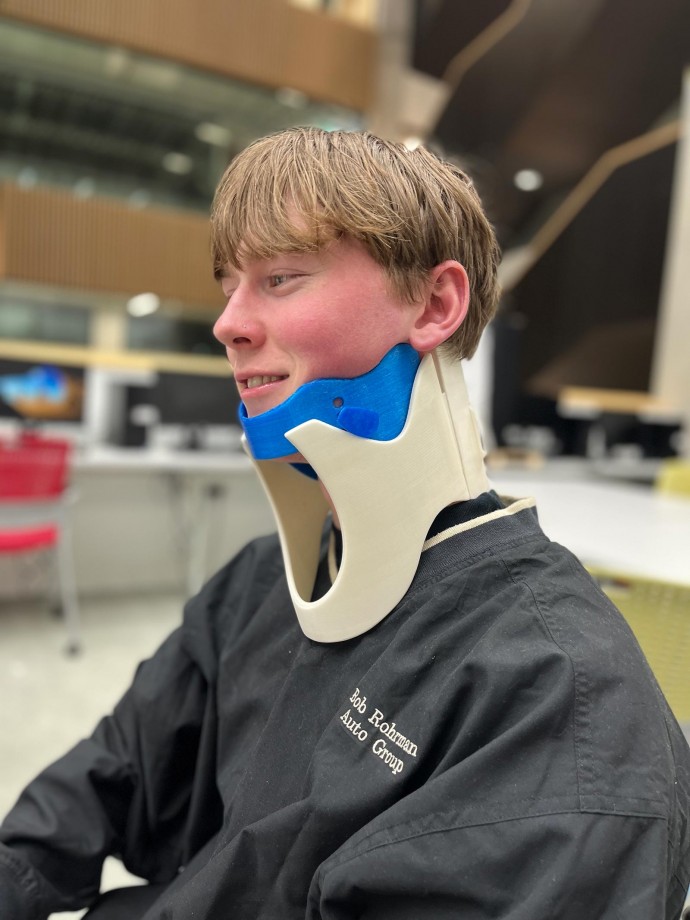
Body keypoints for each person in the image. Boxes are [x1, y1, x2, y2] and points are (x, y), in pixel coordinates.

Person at [1, 127, 689, 920]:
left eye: (281, 277)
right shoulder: (259, 581)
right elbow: (108, 775)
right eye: (229, 286)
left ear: (435, 304)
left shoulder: (557, 701)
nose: (227, 324)